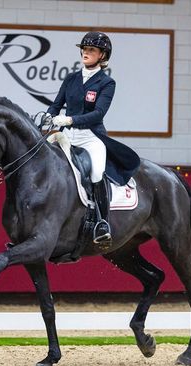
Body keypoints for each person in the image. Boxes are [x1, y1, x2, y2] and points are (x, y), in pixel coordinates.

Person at [47, 31, 140, 246]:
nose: (86, 53)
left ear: (102, 55)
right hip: (67, 136)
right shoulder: (71, 79)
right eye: (85, 49)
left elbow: (98, 114)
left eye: (91, 50)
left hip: (91, 136)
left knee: (97, 171)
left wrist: (69, 120)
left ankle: (101, 222)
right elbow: (56, 104)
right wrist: (49, 115)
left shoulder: (106, 83)